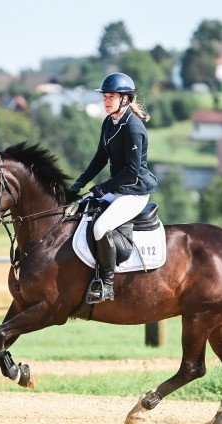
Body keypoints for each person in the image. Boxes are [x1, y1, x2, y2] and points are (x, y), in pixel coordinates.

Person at [70, 72, 158, 303]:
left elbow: (131, 171)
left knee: (100, 227)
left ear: (125, 99)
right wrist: (80, 182)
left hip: (135, 191)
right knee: (81, 212)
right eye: (105, 97)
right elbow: (100, 157)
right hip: (118, 188)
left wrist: (102, 189)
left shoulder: (133, 127)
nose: (107, 101)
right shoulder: (109, 122)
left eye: (112, 97)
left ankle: (107, 284)